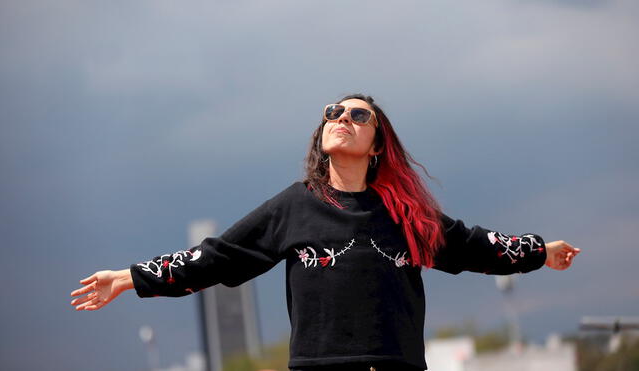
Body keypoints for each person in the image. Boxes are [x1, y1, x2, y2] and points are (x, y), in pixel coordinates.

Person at [70, 93, 581, 371]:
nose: (342, 119)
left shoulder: (406, 213)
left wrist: (540, 251)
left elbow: (473, 246)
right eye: (332, 113)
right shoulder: (295, 206)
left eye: (359, 116)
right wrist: (130, 277)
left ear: (377, 143)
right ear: (322, 133)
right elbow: (220, 257)